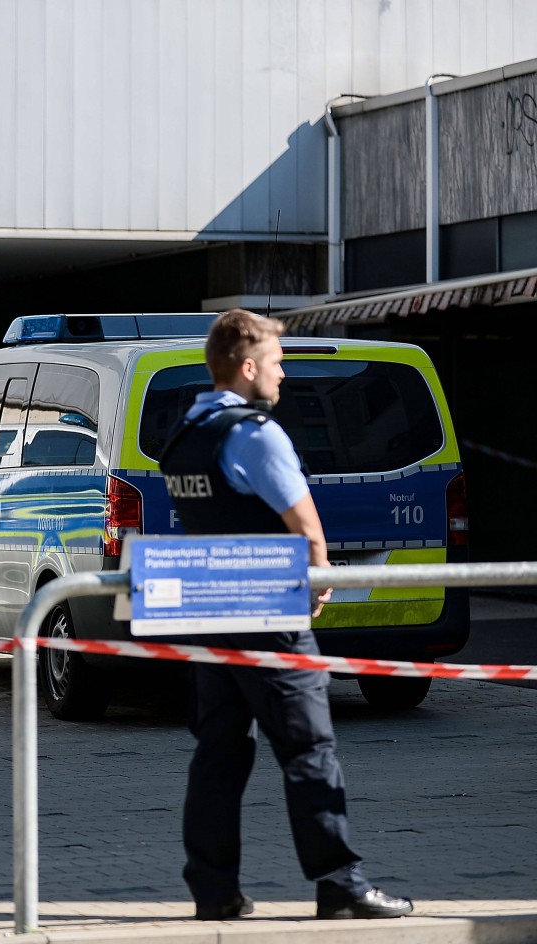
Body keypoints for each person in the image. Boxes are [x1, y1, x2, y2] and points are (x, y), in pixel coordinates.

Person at [158, 309, 413, 921]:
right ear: (247, 368)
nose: (283, 375)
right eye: (276, 362)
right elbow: (307, 526)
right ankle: (341, 885)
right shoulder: (254, 433)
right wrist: (317, 584)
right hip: (268, 611)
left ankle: (214, 891)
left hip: (208, 612)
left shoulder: (184, 432)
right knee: (310, 750)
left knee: (218, 754)